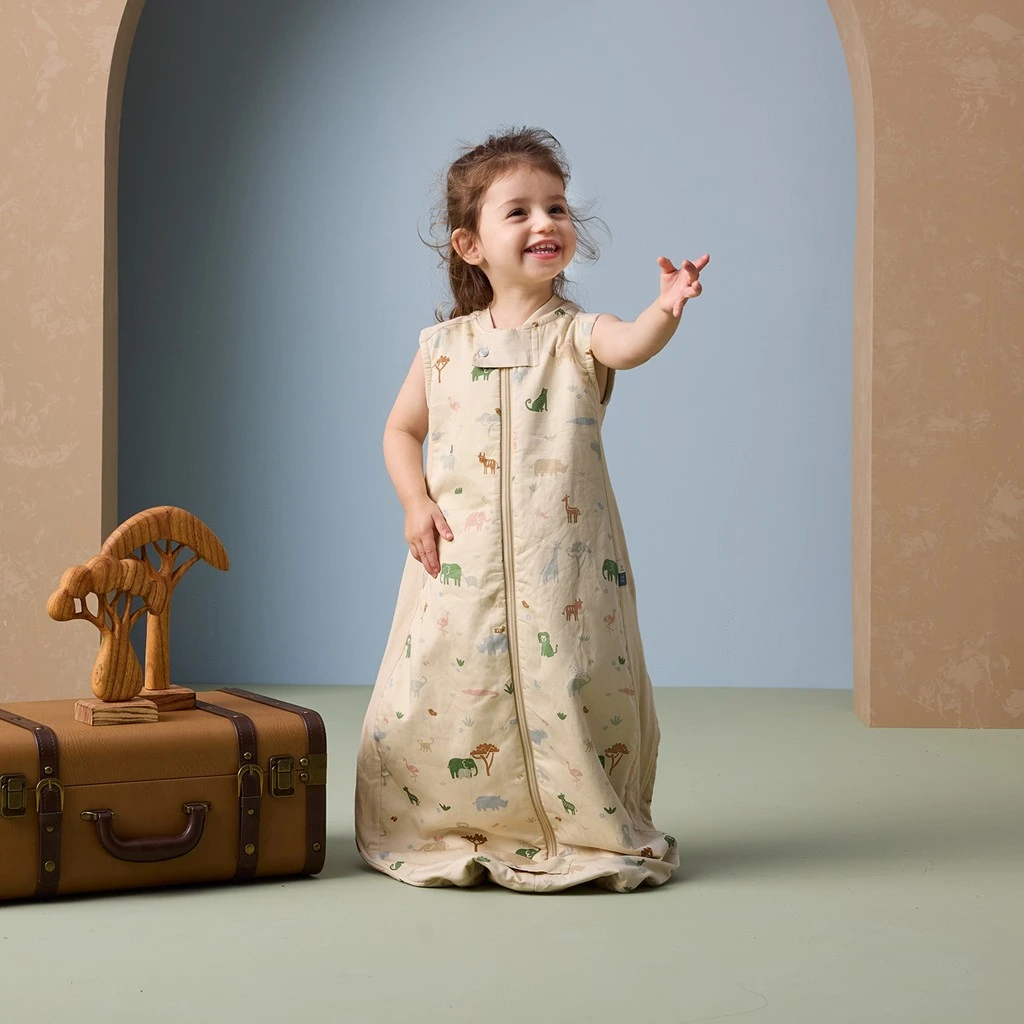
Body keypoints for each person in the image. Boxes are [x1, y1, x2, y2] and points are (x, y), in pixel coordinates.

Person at [354, 126, 708, 892]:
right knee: (455, 690)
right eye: (518, 211)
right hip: (462, 566)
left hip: (563, 571)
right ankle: (456, 817)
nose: (545, 222)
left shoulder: (580, 336)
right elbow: (399, 430)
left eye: (556, 207)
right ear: (470, 244)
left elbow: (631, 345)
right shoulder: (442, 347)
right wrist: (415, 503)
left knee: (571, 682)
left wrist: (667, 307)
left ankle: (574, 820)